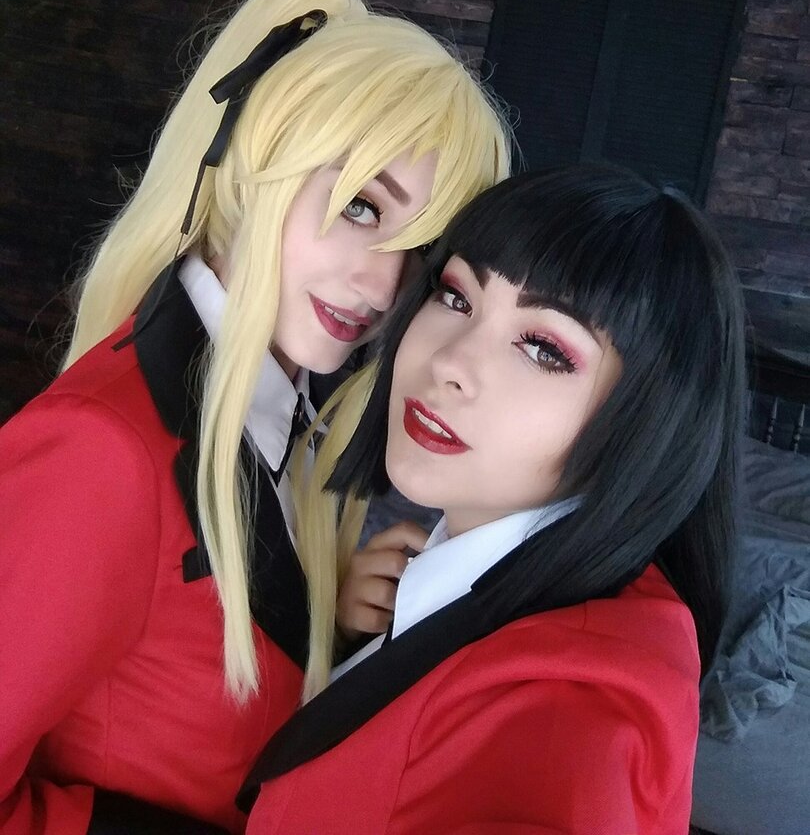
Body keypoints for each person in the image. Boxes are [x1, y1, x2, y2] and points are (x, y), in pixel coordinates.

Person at [0, 0, 511, 835]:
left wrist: (329, 621)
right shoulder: (100, 453)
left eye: (420, 251)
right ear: (258, 168)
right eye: (360, 207)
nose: (382, 287)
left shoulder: (291, 415)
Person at [241, 164, 746, 835]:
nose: (449, 362)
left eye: (542, 348)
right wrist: (360, 645)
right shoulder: (457, 582)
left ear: (649, 421)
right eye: (456, 297)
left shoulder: (569, 726)